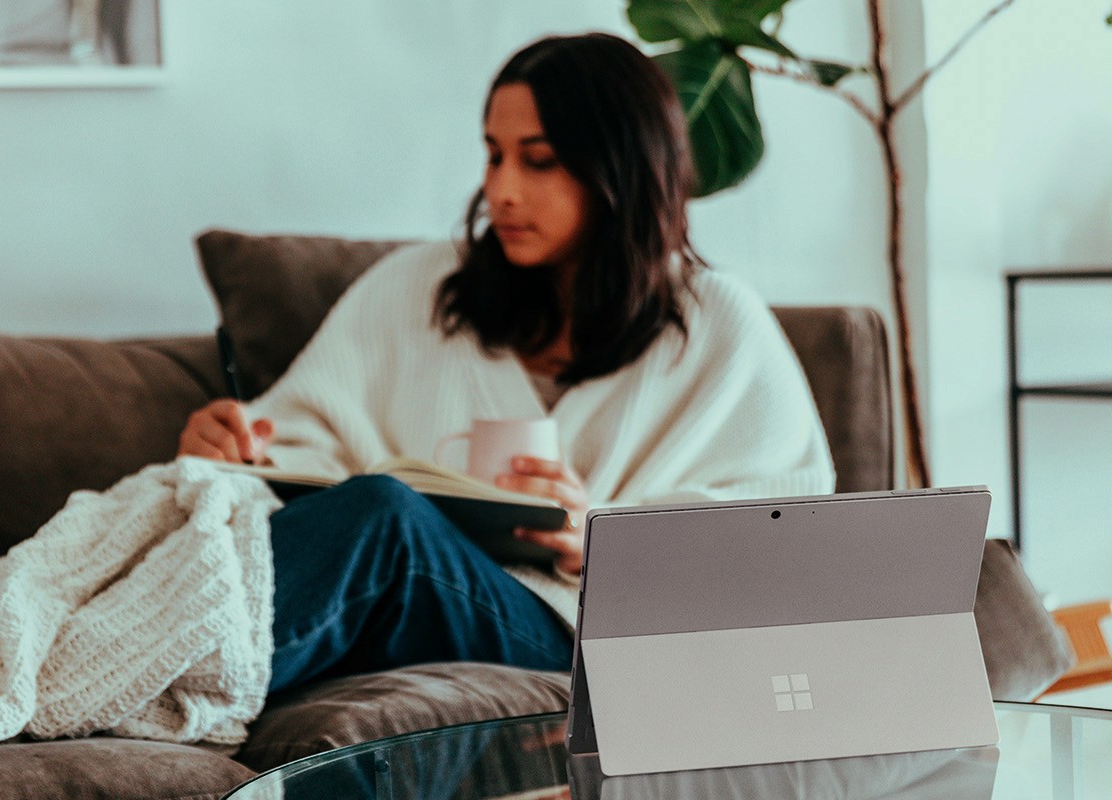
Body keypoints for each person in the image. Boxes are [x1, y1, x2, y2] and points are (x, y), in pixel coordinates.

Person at [177, 33, 835, 694]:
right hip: (399, 614)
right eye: (493, 156)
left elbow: (788, 543)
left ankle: (165, 675)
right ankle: (158, 667)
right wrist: (238, 448)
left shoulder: (718, 324)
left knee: (388, 518)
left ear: (622, 167)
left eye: (538, 161)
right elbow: (299, 445)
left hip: (574, 633)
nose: (501, 190)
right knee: (369, 515)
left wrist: (600, 541)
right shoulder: (418, 286)